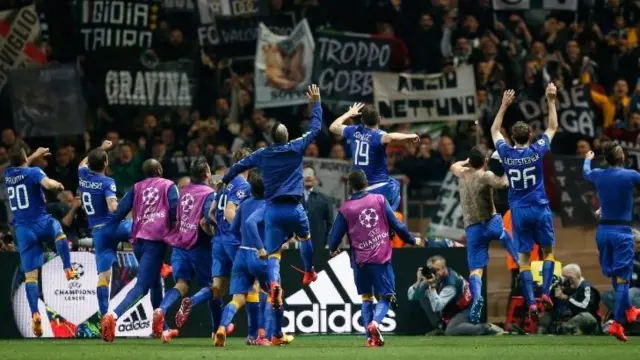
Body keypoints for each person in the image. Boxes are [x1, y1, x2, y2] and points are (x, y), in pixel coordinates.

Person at [219, 85, 323, 345]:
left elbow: (239, 165)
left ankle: (274, 285)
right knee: (305, 238)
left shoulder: (263, 154)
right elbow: (316, 128)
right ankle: (309, 270)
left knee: (274, 256)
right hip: (295, 207)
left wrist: (225, 180)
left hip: (273, 209)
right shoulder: (296, 147)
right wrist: (317, 103)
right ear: (287, 136)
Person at [327, 169, 421, 347]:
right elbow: (397, 224)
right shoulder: (379, 199)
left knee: (366, 298)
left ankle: (369, 338)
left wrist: (333, 248)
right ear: (366, 183)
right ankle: (375, 324)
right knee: (386, 296)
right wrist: (411, 239)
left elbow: (334, 237)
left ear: (350, 186)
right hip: (380, 259)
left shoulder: (345, 209)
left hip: (359, 262)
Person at [490, 83, 559, 319]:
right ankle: (547, 293)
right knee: (548, 252)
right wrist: (550, 99)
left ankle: (531, 303)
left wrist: (503, 106)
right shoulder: (537, 150)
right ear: (530, 136)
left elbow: (494, 131)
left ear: (512, 138)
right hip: (540, 207)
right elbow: (552, 126)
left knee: (524, 260)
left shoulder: (506, 153)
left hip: (518, 211)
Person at [174, 149, 252, 338]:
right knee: (252, 287)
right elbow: (229, 212)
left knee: (218, 289)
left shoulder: (224, 183)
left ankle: (192, 301)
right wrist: (241, 231)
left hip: (217, 242)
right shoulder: (244, 185)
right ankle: (256, 334)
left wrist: (218, 232)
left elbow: (207, 217)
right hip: (234, 242)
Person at [100, 159, 179, 343]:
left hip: (138, 240)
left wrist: (106, 229)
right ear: (159, 169)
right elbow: (176, 211)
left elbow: (119, 211)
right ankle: (113, 316)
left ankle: (162, 329)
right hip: (156, 240)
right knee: (142, 287)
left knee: (155, 283)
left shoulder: (136, 187)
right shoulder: (169, 185)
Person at [4, 146, 74, 337]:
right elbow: (47, 183)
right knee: (58, 231)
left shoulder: (9, 174)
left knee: (31, 277)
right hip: (40, 222)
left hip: (23, 230)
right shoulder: (34, 172)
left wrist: (34, 154)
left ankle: (35, 313)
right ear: (25, 158)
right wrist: (57, 184)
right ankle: (68, 268)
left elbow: (20, 164)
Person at [449, 147, 519, 324]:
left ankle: (477, 296)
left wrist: (467, 161)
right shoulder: (485, 176)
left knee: (476, 270)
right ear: (485, 161)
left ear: (470, 162)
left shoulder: (462, 173)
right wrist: (508, 169)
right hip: (490, 222)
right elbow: (504, 184)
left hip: (472, 229)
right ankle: (519, 261)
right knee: (504, 234)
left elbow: (453, 166)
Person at [152, 157, 216, 343]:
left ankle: (161, 309)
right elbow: (207, 218)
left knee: (181, 284)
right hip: (199, 247)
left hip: (179, 244)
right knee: (213, 287)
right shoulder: (209, 193)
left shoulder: (184, 191)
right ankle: (216, 330)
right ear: (206, 174)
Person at [583, 144, 640, 342]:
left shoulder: (598, 174)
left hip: (603, 232)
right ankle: (617, 322)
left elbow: (586, 172)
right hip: (622, 232)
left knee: (616, 277)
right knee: (624, 279)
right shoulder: (630, 175)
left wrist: (587, 158)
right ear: (620, 157)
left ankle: (630, 309)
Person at [214, 169, 272, 347]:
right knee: (273, 293)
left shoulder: (245, 203)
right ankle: (266, 335)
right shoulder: (268, 205)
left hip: (241, 254)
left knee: (238, 298)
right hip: (258, 254)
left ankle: (222, 328)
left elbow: (233, 229)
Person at [78, 140, 133, 318]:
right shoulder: (107, 181)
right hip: (114, 226)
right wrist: (125, 204)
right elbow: (112, 207)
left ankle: (104, 316)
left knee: (104, 277)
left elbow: (82, 163)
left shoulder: (83, 176)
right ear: (106, 163)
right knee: (141, 228)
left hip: (98, 232)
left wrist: (100, 148)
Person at [328, 103, 419, 210]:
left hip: (359, 188)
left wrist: (348, 114)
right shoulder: (378, 135)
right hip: (378, 186)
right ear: (379, 119)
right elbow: (390, 136)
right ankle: (389, 216)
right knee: (395, 185)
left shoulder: (353, 131)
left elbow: (333, 127)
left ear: (362, 120)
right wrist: (410, 135)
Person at [409, 256, 503, 336]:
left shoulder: (451, 284)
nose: (434, 273)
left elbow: (437, 307)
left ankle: (486, 328)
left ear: (444, 269)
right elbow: (412, 296)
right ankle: (440, 327)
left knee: (451, 331)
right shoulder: (434, 277)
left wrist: (432, 287)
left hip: (467, 308)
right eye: (432, 270)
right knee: (423, 296)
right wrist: (418, 281)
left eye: (437, 270)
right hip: (453, 307)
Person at [538, 264, 601, 335]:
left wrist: (565, 298)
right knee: (545, 316)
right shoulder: (565, 288)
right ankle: (546, 334)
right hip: (566, 321)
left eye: (570, 278)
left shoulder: (587, 288)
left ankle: (561, 330)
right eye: (565, 278)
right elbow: (553, 309)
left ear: (578, 276)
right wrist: (551, 297)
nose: (568, 281)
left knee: (586, 317)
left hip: (583, 323)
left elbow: (586, 308)